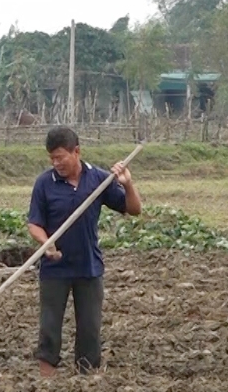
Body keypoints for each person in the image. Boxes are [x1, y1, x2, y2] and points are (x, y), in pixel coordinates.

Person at [27, 126, 142, 377]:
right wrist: (46, 243)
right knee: (49, 325)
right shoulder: (44, 183)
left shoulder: (99, 179)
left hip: (89, 266)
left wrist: (128, 184)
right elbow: (34, 223)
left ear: (76, 151)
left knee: (90, 327)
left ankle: (87, 379)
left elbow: (133, 209)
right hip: (55, 268)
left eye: (60, 157)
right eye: (52, 158)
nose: (56, 163)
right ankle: (46, 379)